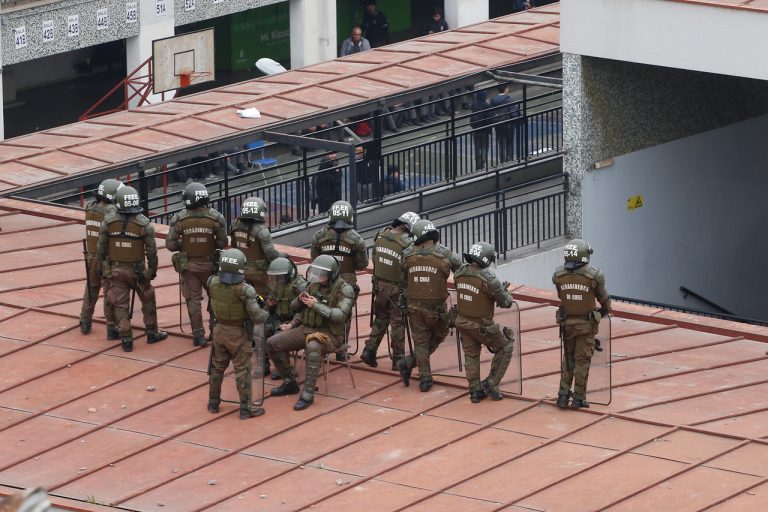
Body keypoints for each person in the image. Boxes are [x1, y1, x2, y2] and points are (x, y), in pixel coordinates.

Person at [267, 255, 355, 410]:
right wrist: (300, 299)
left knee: (313, 347)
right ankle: (289, 381)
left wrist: (315, 305)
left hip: (330, 334)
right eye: (316, 271)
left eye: (322, 273)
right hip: (306, 328)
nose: (318, 275)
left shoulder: (344, 289)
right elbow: (295, 309)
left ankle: (307, 394)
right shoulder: (312, 285)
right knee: (273, 343)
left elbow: (339, 315)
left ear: (331, 274)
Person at [97, 186, 168, 352]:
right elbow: (151, 252)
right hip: (138, 273)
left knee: (120, 305)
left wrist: (104, 269)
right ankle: (151, 333)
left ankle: (126, 340)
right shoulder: (144, 225)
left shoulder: (107, 222)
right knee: (148, 298)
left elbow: (101, 249)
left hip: (116, 271)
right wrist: (152, 271)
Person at [398, 219, 461, 391]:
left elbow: (403, 280)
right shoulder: (445, 254)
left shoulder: (407, 254)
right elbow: (462, 273)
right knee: (440, 333)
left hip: (414, 307)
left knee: (420, 341)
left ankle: (423, 377)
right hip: (437, 310)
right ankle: (412, 366)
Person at [207, 248, 269, 419]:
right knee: (243, 370)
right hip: (238, 333)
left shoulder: (212, 282)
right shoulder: (244, 289)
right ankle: (246, 408)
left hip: (219, 330)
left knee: (217, 368)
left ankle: (213, 402)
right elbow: (257, 316)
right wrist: (267, 310)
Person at [166, 182, 228, 347]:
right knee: (216, 298)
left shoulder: (179, 219)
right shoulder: (216, 218)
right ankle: (215, 333)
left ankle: (198, 336)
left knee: (193, 300)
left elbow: (170, 245)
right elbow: (222, 243)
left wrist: (183, 245)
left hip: (189, 266)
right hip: (210, 266)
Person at [553, 239, 611, 409]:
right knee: (582, 361)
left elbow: (560, 295)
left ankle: (563, 396)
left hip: (566, 325)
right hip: (586, 326)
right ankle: (578, 398)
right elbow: (603, 299)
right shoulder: (594, 275)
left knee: (568, 360)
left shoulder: (558, 275)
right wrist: (605, 309)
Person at [455, 242, 516, 403]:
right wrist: (505, 292)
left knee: (471, 355)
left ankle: (475, 391)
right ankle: (491, 383)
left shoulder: (459, 273)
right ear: (487, 259)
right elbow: (505, 303)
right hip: (483, 327)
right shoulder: (489, 279)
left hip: (463, 321)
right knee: (506, 347)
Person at [361, 212, 420, 370]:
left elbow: (374, 260)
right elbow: (409, 268)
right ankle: (398, 359)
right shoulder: (408, 244)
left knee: (380, 318)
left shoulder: (380, 236)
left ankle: (369, 350)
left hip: (379, 286)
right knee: (397, 323)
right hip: (397, 289)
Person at [310, 200, 369, 359]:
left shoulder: (319, 236)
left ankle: (320, 347)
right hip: (346, 281)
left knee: (321, 312)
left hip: (323, 281)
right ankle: (341, 351)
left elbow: (314, 260)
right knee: (344, 315)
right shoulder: (356, 239)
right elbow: (363, 264)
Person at [80, 178, 122, 339]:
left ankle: (85, 320)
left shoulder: (90, 208)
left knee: (91, 289)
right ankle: (112, 327)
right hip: (105, 258)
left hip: (90, 255)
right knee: (109, 291)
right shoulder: (110, 212)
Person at [489, 83, 521, 163]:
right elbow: (513, 112)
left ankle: (503, 161)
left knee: (501, 143)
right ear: (506, 89)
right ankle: (510, 160)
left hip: (498, 124)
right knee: (509, 142)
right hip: (508, 123)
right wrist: (518, 119)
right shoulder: (508, 99)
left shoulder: (493, 100)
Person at [470, 90, 492, 170]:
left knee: (477, 146)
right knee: (484, 146)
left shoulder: (474, 105)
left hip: (475, 129)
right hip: (484, 130)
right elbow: (489, 118)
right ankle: (482, 161)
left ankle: (478, 160)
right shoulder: (486, 106)